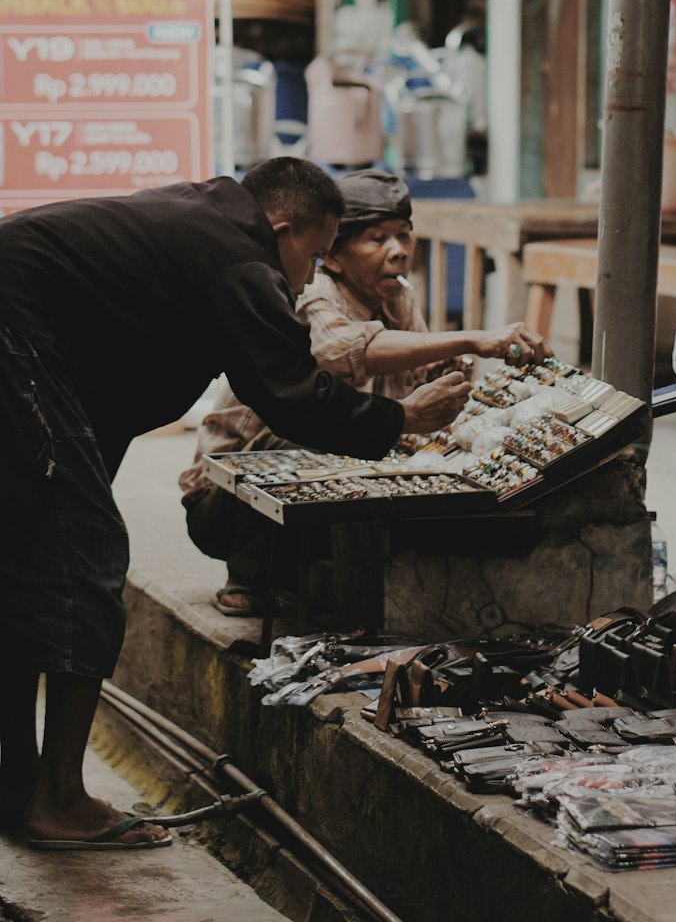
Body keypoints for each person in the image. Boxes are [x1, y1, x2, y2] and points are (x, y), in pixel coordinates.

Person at [0, 157, 471, 853]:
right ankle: (60, 798)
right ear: (281, 226)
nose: (310, 276)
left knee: (30, 569)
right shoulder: (237, 255)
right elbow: (288, 390)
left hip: (26, 339)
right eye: (312, 255)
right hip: (16, 338)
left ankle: (21, 790)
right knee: (84, 567)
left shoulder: (201, 223)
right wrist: (400, 419)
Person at [182, 168, 544, 614]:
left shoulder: (397, 299)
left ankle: (329, 572)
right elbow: (344, 351)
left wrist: (444, 377)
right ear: (333, 256)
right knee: (313, 430)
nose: (399, 253)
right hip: (225, 508)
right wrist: (472, 338)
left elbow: (416, 376)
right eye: (377, 239)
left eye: (404, 237)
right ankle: (250, 572)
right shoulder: (311, 294)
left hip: (317, 486)